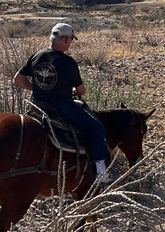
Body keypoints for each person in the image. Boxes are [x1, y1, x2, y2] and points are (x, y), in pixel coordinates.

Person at [14, 22, 120, 184]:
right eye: (71, 39)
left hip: (38, 104)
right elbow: (81, 91)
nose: (70, 43)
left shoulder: (37, 55)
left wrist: (37, 89)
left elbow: (18, 79)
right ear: (65, 40)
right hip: (61, 106)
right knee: (96, 128)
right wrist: (74, 91)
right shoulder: (68, 62)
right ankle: (101, 172)